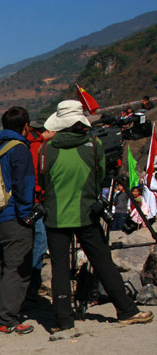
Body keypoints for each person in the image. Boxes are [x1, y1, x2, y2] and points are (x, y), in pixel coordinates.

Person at [39, 100, 152, 331]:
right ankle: (126, 310)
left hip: (55, 215)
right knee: (103, 262)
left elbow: (43, 181)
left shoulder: (46, 149)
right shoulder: (94, 144)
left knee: (59, 268)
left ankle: (63, 320)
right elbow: (101, 178)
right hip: (86, 214)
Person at [0, 106, 36, 334]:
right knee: (17, 268)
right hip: (15, 216)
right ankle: (8, 319)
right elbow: (24, 184)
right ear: (26, 126)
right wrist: (27, 214)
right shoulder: (20, 150)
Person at [25, 117, 56, 302]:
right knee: (41, 242)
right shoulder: (39, 148)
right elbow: (39, 177)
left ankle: (31, 283)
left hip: (28, 201)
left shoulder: (26, 145)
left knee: (35, 242)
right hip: (37, 201)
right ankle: (31, 283)